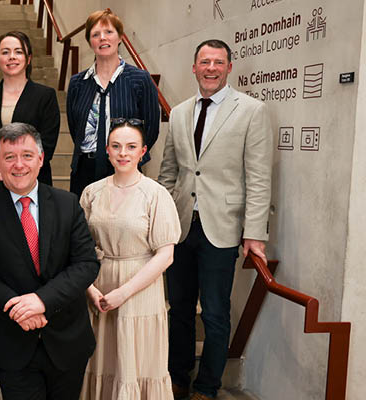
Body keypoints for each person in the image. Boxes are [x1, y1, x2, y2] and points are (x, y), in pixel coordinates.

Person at [157, 39, 272, 400]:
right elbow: (168, 172)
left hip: (222, 228)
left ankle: (207, 387)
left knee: (216, 313)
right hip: (180, 227)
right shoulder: (178, 113)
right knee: (179, 310)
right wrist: (158, 220)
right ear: (194, 67)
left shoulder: (252, 111)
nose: (210, 68)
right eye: (204, 61)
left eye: (218, 62)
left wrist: (254, 233)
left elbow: (258, 176)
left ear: (229, 67)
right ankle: (177, 378)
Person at [0, 122, 99, 400]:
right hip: (13, 341)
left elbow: (86, 264)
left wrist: (41, 301)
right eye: (9, 157)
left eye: (26, 155)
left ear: (41, 159)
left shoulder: (67, 203)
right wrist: (18, 308)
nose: (18, 164)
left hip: (67, 338)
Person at [79, 119, 180, 399]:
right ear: (107, 151)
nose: (123, 153)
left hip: (140, 289)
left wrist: (123, 293)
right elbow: (79, 249)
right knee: (103, 360)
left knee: (137, 367)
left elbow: (166, 255)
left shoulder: (156, 194)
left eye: (131, 146)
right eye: (116, 146)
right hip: (100, 285)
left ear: (143, 151)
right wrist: (90, 289)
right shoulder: (92, 192)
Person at [66, 9, 160, 197]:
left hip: (125, 169)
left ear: (120, 37)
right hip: (85, 169)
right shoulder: (78, 82)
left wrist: (132, 159)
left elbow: (150, 129)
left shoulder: (139, 80)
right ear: (90, 42)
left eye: (109, 32)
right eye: (95, 34)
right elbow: (74, 126)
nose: (102, 38)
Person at [0, 30, 60, 186]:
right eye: (5, 52)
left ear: (28, 59)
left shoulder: (45, 96)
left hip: (33, 183)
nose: (12, 57)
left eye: (18, 52)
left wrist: (16, 171)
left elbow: (46, 144)